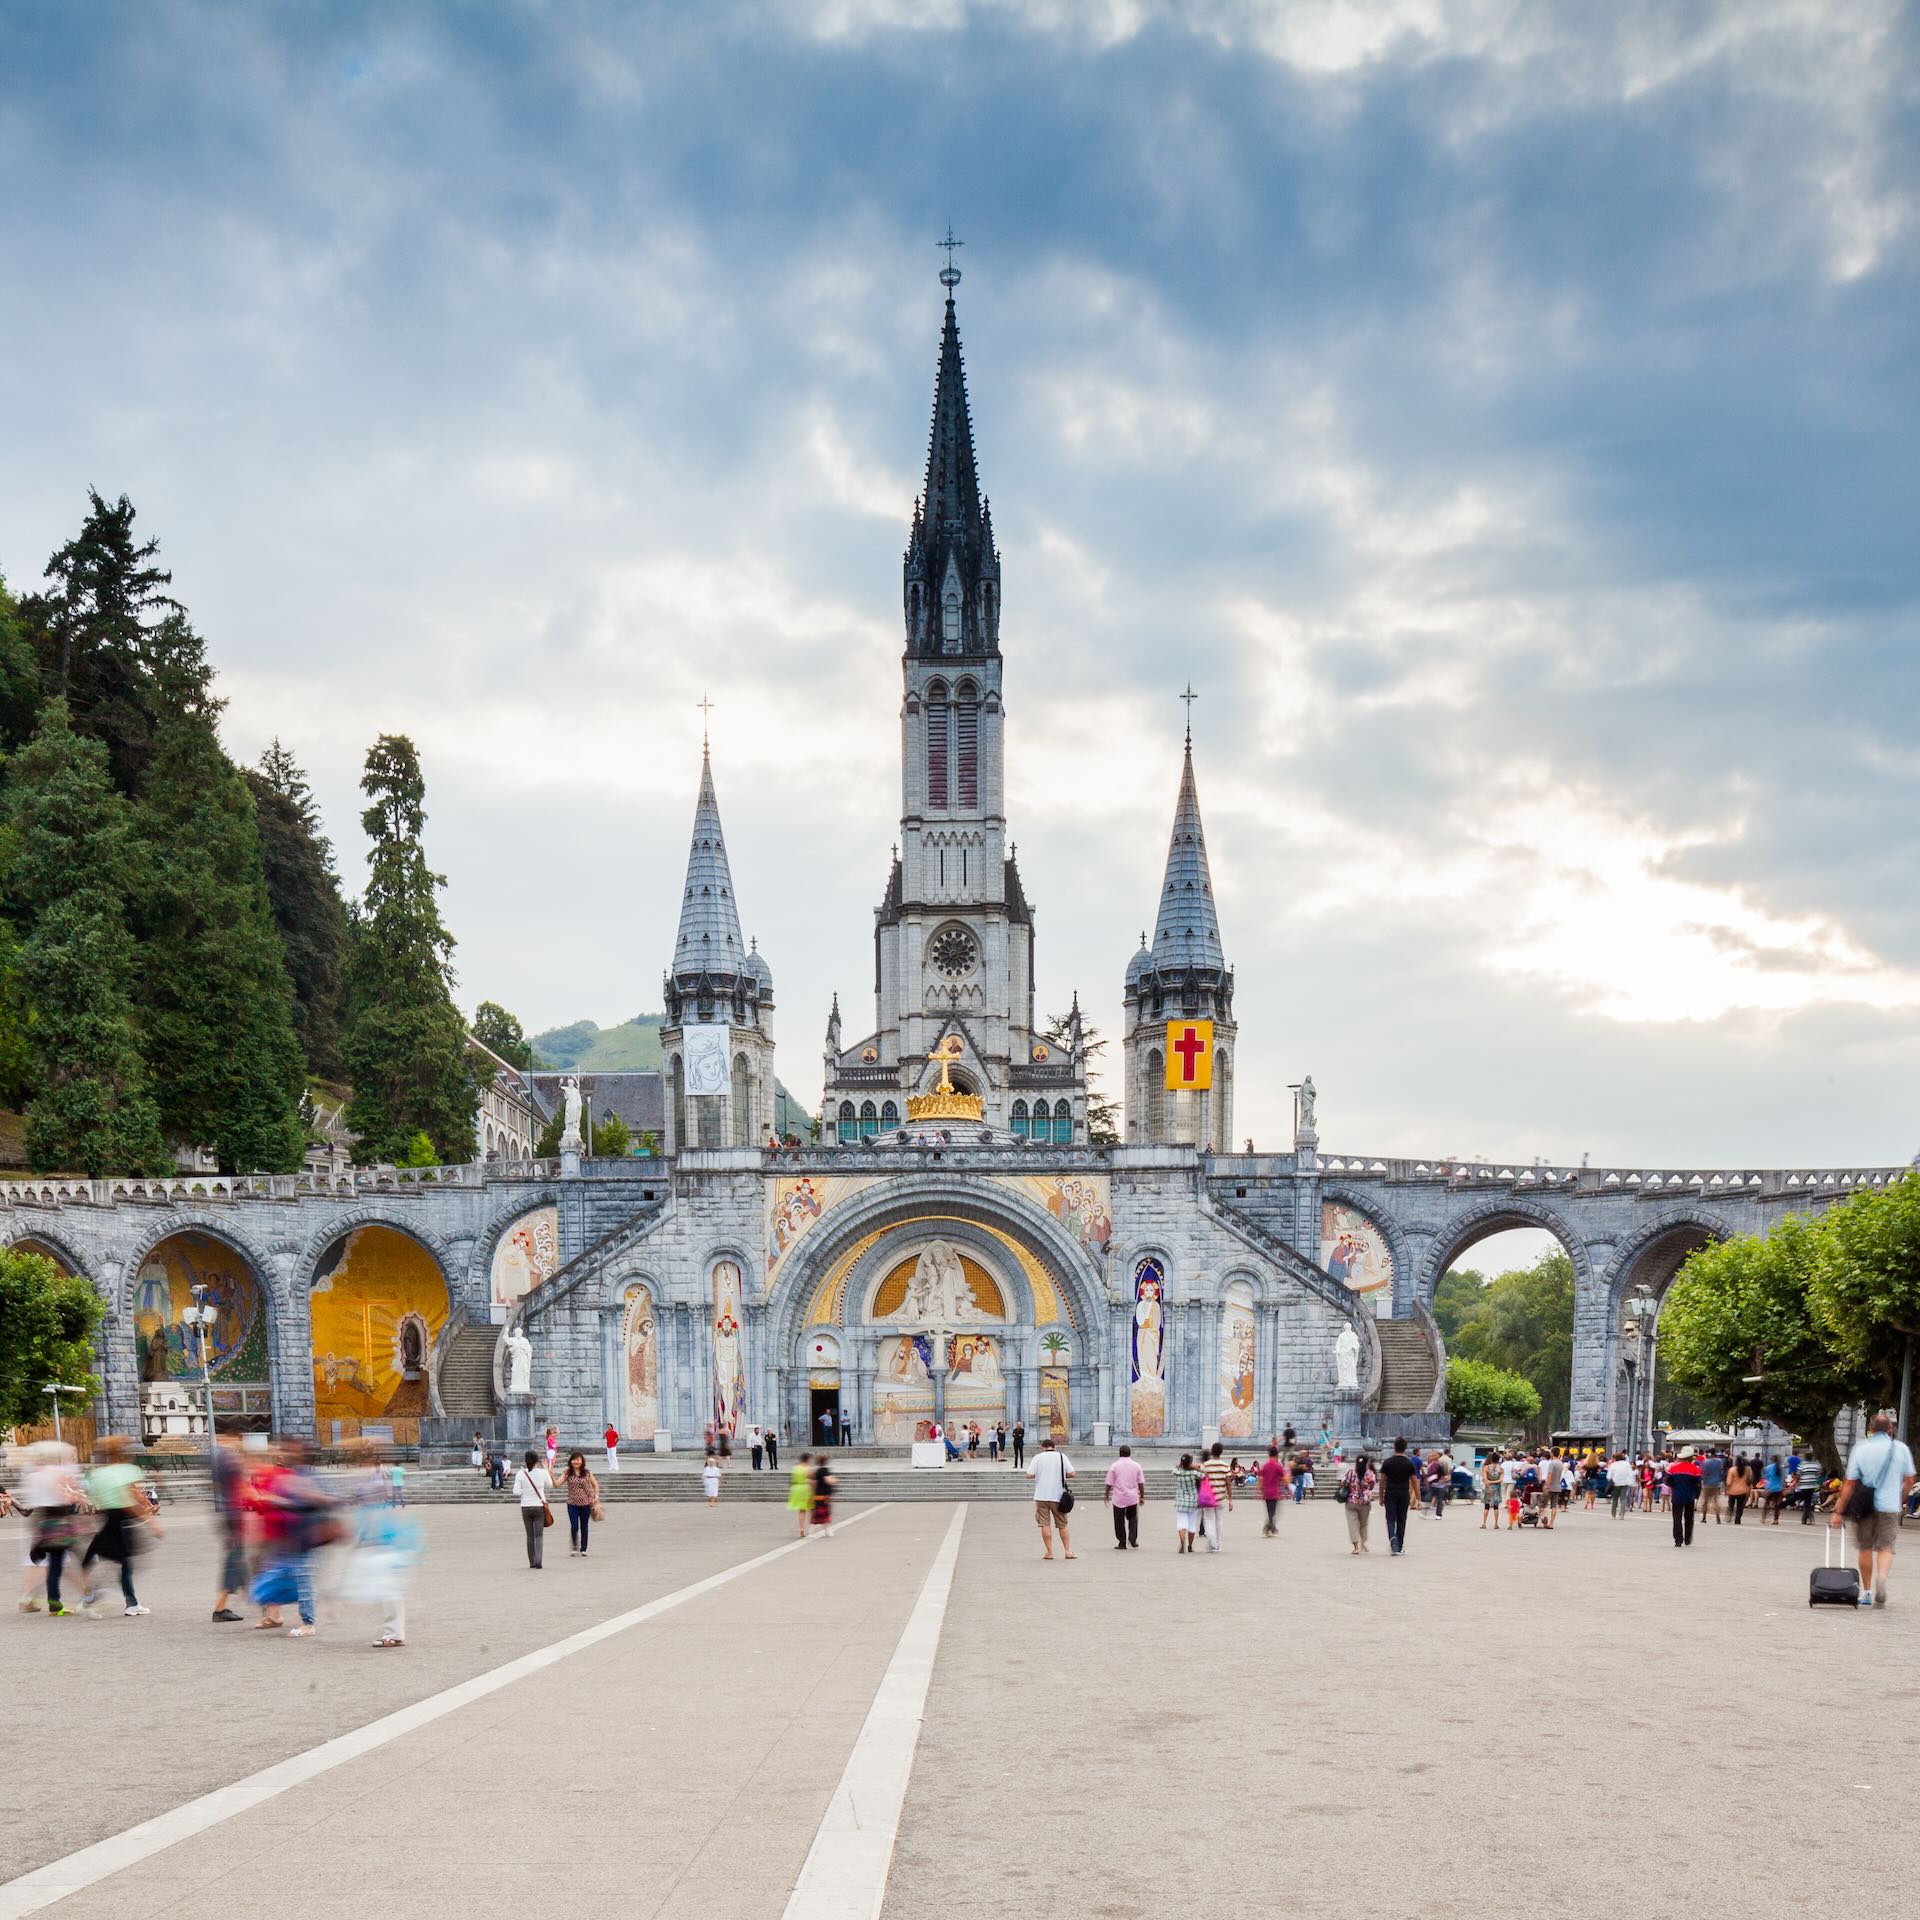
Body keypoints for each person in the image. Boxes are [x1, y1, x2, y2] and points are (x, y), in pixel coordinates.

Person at [1832, 1411, 1918, 1608]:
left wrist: (1839, 1509)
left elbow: (1850, 1483)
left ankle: (1868, 1591)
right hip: (1890, 1505)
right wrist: (1901, 1498)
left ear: (1871, 1429)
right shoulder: (1901, 1449)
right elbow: (1910, 1480)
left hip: (1864, 1506)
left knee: (1865, 1548)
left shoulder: (1861, 1449)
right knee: (1886, 1547)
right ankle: (1882, 1577)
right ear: (1890, 1429)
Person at [80, 1435, 158, 1617]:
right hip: (121, 1522)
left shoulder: (95, 1474)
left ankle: (126, 1601)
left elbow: (94, 1500)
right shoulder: (128, 1470)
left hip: (106, 1520)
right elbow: (127, 1499)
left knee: (117, 1562)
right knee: (126, 1564)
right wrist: (151, 1522)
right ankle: (100, 1598)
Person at [22, 1440, 87, 1615]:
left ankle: (55, 1602)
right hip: (59, 1521)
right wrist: (78, 1498)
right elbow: (63, 1497)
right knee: (75, 1557)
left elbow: (32, 1501)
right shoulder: (56, 1473)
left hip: (44, 1520)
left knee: (56, 1563)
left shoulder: (35, 1475)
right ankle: (87, 1595)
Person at [210, 1433, 252, 1622]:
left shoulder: (218, 1458)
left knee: (239, 1559)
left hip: (229, 1513)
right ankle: (220, 1608)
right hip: (235, 1514)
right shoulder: (230, 1459)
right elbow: (243, 1487)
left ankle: (260, 1600)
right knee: (235, 1560)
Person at [1026, 1435, 1076, 1561]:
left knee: (1044, 1524)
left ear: (1042, 1448)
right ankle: (1068, 1551)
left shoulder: (1037, 1457)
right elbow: (1072, 1473)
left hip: (1041, 1496)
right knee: (1062, 1524)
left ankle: (1049, 1552)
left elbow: (1029, 1475)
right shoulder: (1062, 1456)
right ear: (1055, 1447)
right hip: (1058, 1496)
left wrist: (1041, 1474)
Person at [513, 1449, 553, 1569]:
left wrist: (524, 1491)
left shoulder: (520, 1473)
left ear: (525, 1461)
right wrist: (546, 1470)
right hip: (539, 1507)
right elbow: (550, 1485)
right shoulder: (542, 1473)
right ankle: (539, 1561)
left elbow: (516, 1491)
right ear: (537, 1461)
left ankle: (531, 1562)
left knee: (530, 1536)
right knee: (539, 1535)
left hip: (525, 1507)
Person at [1379, 1437, 1418, 1555]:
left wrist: (1381, 1496)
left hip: (1390, 1493)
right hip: (1403, 1493)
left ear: (1394, 1447)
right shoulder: (1409, 1463)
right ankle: (1399, 1545)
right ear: (1405, 1448)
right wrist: (1418, 1497)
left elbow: (1382, 1480)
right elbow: (1414, 1480)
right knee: (1402, 1519)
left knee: (1390, 1519)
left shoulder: (1387, 1462)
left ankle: (1392, 1537)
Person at [1105, 1445, 1145, 1548]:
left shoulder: (1114, 1466)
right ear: (1130, 1453)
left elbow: (1109, 1482)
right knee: (1133, 1518)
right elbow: (1141, 1483)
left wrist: (1106, 1494)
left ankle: (1122, 1542)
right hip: (1132, 1497)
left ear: (1120, 1453)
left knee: (1119, 1521)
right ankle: (1133, 1537)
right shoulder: (1136, 1465)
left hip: (1119, 1497)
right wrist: (1142, 1496)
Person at [563, 1451, 599, 1556]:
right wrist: (551, 1475)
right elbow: (556, 1484)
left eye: (578, 1459)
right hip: (572, 1504)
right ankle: (574, 1547)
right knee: (574, 1526)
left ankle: (584, 1549)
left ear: (582, 1461)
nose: (576, 1462)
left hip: (585, 1504)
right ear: (571, 1461)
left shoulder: (587, 1472)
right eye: (574, 1459)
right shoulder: (567, 1473)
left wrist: (596, 1496)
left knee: (584, 1526)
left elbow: (595, 1484)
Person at [1339, 1454, 1377, 1553]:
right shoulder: (1370, 1474)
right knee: (1363, 1524)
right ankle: (1363, 1542)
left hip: (1351, 1501)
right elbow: (1372, 1486)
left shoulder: (1350, 1472)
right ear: (1367, 1462)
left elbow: (1344, 1483)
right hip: (1365, 1501)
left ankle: (1356, 1547)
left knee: (1352, 1523)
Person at [1667, 1445, 1702, 1546]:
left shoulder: (1672, 1468)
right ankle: (1687, 1538)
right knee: (1689, 1518)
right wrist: (1696, 1496)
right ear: (1691, 1457)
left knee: (1677, 1518)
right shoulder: (1695, 1469)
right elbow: (1698, 1484)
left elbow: (1668, 1481)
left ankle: (1678, 1540)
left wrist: (1675, 1486)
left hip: (1677, 1496)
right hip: (1689, 1496)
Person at [1200, 1442, 1232, 1550]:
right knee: (1219, 1521)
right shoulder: (1225, 1466)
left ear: (1212, 1451)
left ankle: (1211, 1540)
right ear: (1221, 1452)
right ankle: (1217, 1544)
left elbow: (1199, 1475)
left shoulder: (1205, 1465)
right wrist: (1230, 1499)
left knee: (1209, 1520)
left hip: (1208, 1497)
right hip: (1221, 1498)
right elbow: (1228, 1483)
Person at [1256, 1446, 1289, 1535]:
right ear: (1277, 1455)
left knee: (1270, 1511)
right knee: (1273, 1512)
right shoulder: (1278, 1466)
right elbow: (1285, 1480)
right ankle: (1268, 1528)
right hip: (1274, 1493)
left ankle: (1272, 1528)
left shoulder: (1265, 1466)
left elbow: (1261, 1479)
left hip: (1266, 1492)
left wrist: (1259, 1491)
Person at [789, 1451, 813, 1537]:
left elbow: (793, 1480)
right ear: (807, 1460)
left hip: (796, 1489)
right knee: (811, 1510)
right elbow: (811, 1481)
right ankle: (810, 1528)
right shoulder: (808, 1469)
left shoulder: (795, 1468)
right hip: (806, 1489)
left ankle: (801, 1528)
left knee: (801, 1511)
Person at [1699, 1448, 1726, 1523]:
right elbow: (1721, 1472)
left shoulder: (1706, 1462)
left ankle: (1704, 1518)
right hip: (1716, 1484)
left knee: (1705, 1502)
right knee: (1716, 1501)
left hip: (1707, 1484)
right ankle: (1718, 1517)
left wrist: (1703, 1481)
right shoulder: (1719, 1462)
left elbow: (1703, 1473)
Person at [812, 1453, 835, 1533]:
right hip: (824, 1495)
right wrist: (833, 1480)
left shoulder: (817, 1470)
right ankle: (824, 1530)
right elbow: (828, 1480)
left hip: (818, 1494)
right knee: (824, 1512)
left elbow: (814, 1483)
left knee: (819, 1512)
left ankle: (825, 1530)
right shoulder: (824, 1470)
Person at [1725, 1455, 1753, 1524]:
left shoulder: (1732, 1470)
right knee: (1740, 1507)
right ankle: (1737, 1519)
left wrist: (1726, 1490)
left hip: (1732, 1491)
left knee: (1731, 1505)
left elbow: (1728, 1482)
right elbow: (1749, 1480)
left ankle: (1729, 1515)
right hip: (1743, 1491)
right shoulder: (1747, 1470)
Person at [1480, 1452, 1504, 1530]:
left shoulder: (1486, 1468)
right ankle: (1496, 1524)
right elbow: (1501, 1480)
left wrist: (1489, 1482)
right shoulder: (1501, 1469)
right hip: (1497, 1488)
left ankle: (1484, 1523)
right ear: (1498, 1460)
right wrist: (1495, 1482)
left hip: (1488, 1487)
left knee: (1486, 1506)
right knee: (1496, 1506)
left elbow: (1485, 1479)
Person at [1760, 1454, 1785, 1524]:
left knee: (1766, 1503)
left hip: (1770, 1487)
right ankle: (1776, 1520)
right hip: (1778, 1488)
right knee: (1777, 1504)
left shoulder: (1768, 1467)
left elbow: (1766, 1477)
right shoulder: (1780, 1468)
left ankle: (1763, 1518)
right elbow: (1782, 1478)